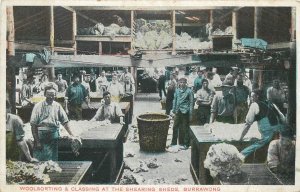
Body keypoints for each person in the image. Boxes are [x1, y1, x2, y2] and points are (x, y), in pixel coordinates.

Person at [30, 83, 76, 161]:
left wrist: (72, 135)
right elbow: (33, 125)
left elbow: (65, 122)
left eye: (53, 95)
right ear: (44, 94)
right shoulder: (38, 106)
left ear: (55, 95)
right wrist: (37, 141)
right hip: (41, 136)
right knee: (39, 160)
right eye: (48, 95)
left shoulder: (57, 106)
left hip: (53, 136)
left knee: (53, 161)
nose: (51, 97)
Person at [239, 89, 287, 160]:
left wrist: (241, 137)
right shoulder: (271, 103)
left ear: (257, 96)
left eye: (252, 96)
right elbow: (282, 117)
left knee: (259, 144)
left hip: (268, 132)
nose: (251, 98)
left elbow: (248, 123)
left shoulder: (255, 104)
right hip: (279, 130)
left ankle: (240, 155)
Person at [170, 77, 194, 149]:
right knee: (175, 127)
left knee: (185, 128)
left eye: (183, 82)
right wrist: (173, 110)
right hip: (178, 111)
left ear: (185, 83)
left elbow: (191, 103)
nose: (182, 84)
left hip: (185, 111)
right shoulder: (177, 91)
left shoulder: (189, 91)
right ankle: (173, 143)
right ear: (179, 83)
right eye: (181, 82)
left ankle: (186, 144)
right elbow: (175, 100)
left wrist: (190, 114)